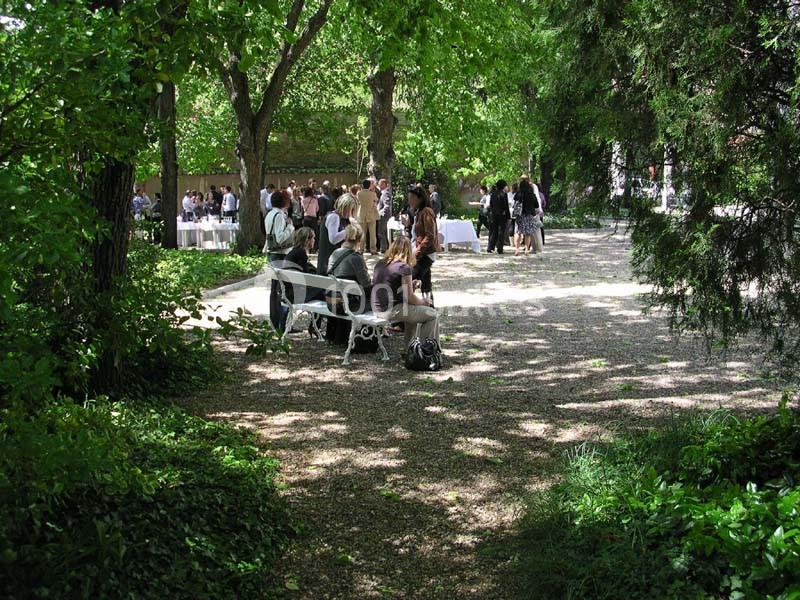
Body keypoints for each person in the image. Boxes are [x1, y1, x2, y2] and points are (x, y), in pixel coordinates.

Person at [372, 236, 439, 349]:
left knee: (412, 311)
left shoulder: (380, 264)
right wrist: (424, 302)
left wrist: (410, 285)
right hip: (390, 310)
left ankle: (410, 349)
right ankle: (425, 350)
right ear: (409, 250)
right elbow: (410, 297)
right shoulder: (403, 267)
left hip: (377, 308)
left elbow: (390, 287)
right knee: (432, 314)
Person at [326, 223, 372, 344]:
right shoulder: (356, 258)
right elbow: (366, 284)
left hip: (331, 303)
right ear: (359, 240)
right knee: (377, 298)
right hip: (350, 306)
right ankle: (367, 338)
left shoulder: (334, 254)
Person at [264, 190, 295, 331]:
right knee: (280, 290)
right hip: (279, 254)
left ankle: (277, 320)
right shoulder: (279, 216)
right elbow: (280, 237)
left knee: (276, 289)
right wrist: (290, 227)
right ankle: (281, 321)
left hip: (272, 253)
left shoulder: (270, 214)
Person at [407, 185, 440, 304]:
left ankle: (408, 311)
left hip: (425, 254)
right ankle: (430, 310)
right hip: (422, 253)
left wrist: (418, 251)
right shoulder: (418, 212)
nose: (409, 201)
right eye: (408, 198)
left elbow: (430, 236)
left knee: (409, 282)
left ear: (420, 198)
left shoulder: (426, 212)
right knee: (426, 284)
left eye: (412, 198)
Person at [318, 192, 358, 274]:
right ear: (344, 207)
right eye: (351, 209)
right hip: (328, 262)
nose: (352, 213)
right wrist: (348, 230)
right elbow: (333, 239)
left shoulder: (338, 217)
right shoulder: (334, 217)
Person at [514, 179, 540, 256]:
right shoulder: (532, 195)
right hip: (529, 215)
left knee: (518, 232)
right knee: (527, 233)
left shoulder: (518, 194)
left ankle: (517, 249)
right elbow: (536, 205)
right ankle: (526, 250)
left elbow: (515, 201)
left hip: (520, 214)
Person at [355, 179, 379, 254]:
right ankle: (373, 250)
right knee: (372, 233)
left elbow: (357, 202)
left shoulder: (359, 193)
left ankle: (361, 249)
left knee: (362, 233)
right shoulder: (373, 193)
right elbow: (376, 201)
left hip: (361, 214)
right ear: (369, 185)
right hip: (371, 214)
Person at [487, 179, 510, 254]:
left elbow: (491, 205)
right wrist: (508, 216)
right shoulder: (504, 194)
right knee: (501, 232)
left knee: (494, 231)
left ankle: (490, 247)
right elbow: (506, 206)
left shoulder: (493, 194)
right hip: (502, 215)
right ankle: (500, 248)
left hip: (494, 214)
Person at [377, 178, 392, 252]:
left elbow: (387, 206)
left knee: (382, 233)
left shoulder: (385, 193)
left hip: (384, 217)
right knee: (383, 233)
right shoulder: (383, 192)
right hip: (384, 216)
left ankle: (384, 249)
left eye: (380, 184)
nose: (379, 185)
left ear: (383, 184)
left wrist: (380, 213)